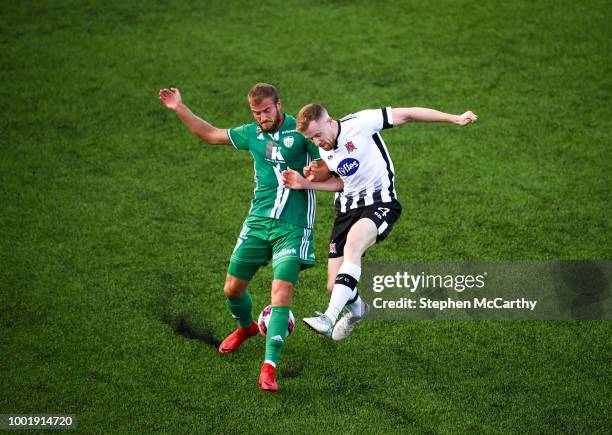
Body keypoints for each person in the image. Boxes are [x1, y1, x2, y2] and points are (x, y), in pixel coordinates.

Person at [159, 84, 324, 392]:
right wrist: (179, 107)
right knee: (232, 290)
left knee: (281, 292)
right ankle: (247, 327)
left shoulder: (300, 130)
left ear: (279, 105)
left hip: (293, 225)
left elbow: (327, 161)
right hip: (258, 222)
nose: (262, 117)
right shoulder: (251, 134)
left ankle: (269, 367)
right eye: (256, 113)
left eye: (267, 111)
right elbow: (210, 135)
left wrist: (312, 173)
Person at [282, 104, 478, 340]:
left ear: (329, 121)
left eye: (317, 135)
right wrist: (307, 183)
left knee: (354, 244)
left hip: (380, 201)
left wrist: (454, 117)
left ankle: (328, 317)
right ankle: (358, 311)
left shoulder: (360, 123)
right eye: (310, 138)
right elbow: (343, 183)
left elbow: (408, 114)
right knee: (335, 287)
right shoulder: (324, 150)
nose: (316, 142)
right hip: (346, 211)